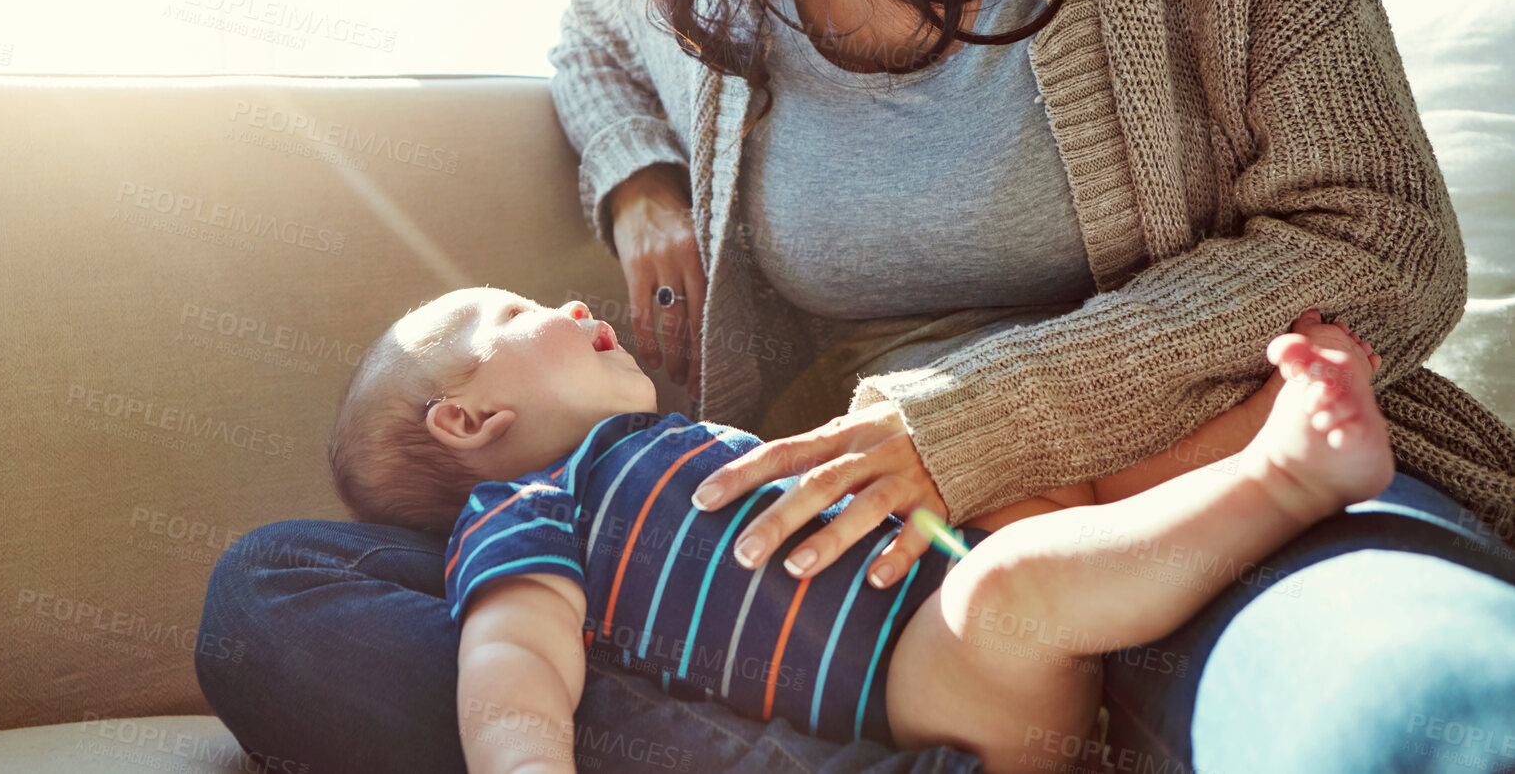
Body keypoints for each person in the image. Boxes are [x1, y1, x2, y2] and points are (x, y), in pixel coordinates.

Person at [197, 0, 1515, 771]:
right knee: (280, 591)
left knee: (1428, 708)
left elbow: (1380, 245)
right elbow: (591, 33)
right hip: (868, 609)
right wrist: (643, 184)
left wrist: (967, 420)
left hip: (1200, 495)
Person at [326, 286, 1396, 774]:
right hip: (929, 682)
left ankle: (1257, 423)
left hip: (950, 587)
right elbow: (511, 656)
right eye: (511, 318)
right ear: (468, 418)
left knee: (1039, 497)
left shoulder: (670, 439)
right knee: (1010, 586)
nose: (561, 303)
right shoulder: (522, 508)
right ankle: (1289, 472)